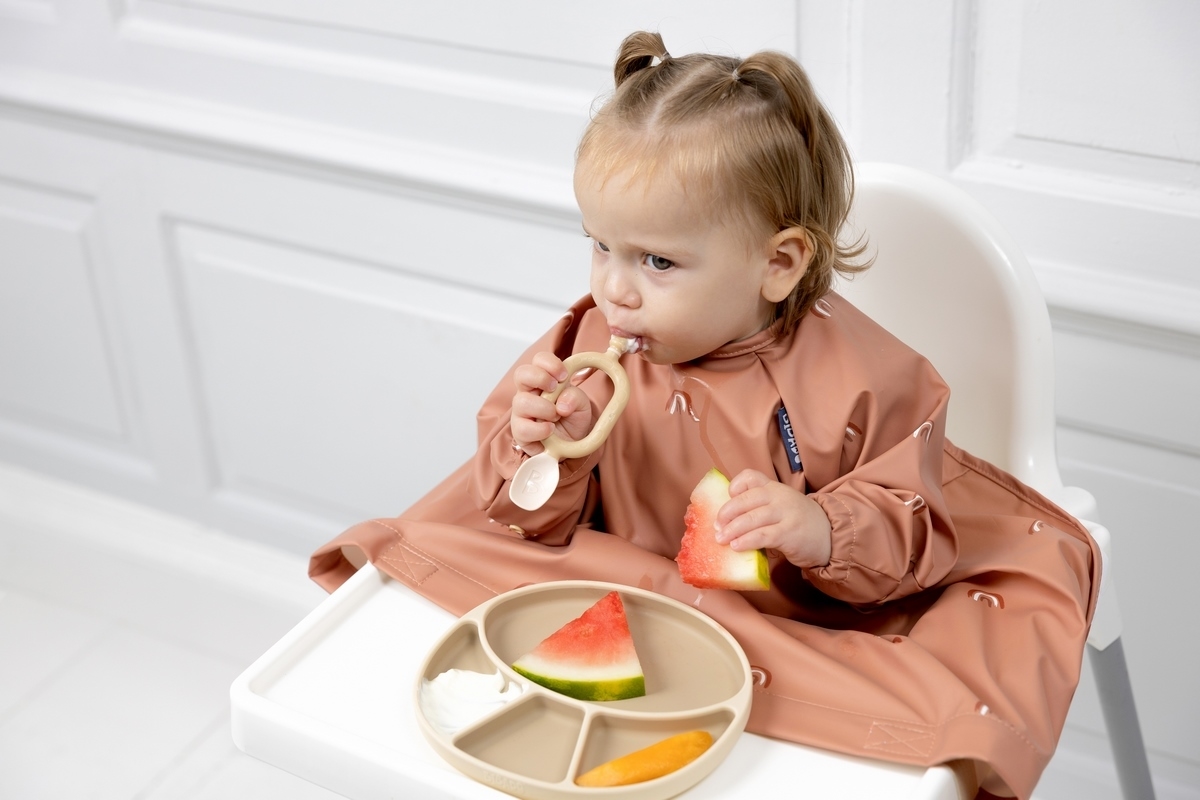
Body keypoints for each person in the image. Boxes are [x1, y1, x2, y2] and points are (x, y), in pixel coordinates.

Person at [312, 32, 1098, 800]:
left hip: (798, 636)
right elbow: (527, 522)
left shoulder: (870, 381)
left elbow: (909, 534)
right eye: (601, 246)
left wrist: (821, 528)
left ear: (778, 264)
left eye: (657, 261)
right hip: (629, 603)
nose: (615, 289)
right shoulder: (594, 338)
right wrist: (546, 455)